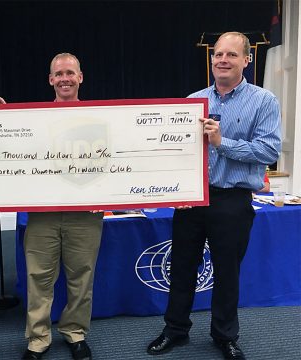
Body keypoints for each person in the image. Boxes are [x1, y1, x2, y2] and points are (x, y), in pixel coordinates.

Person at [146, 32, 281, 360]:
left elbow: (269, 149)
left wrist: (223, 142)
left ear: (246, 60)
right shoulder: (193, 100)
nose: (222, 60)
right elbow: (179, 153)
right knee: (181, 267)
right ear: (211, 59)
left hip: (232, 199)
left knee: (227, 270)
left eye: (231, 55)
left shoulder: (264, 101)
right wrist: (174, 187)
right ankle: (175, 329)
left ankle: (225, 336)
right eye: (218, 54)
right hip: (192, 199)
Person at [0, 53, 103, 360]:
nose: (64, 78)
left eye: (70, 73)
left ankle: (75, 332)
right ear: (50, 80)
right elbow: (8, 147)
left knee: (81, 276)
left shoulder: (103, 117)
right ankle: (38, 338)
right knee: (38, 277)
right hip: (42, 216)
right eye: (58, 74)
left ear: (81, 77)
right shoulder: (31, 119)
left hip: (85, 214)